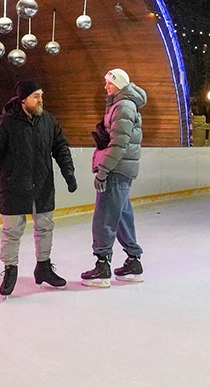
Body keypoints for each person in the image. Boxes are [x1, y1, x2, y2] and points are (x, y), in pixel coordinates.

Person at [0, 79, 77, 297]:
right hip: (13, 185)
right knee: (12, 230)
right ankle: (10, 270)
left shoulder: (48, 121)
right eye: (36, 96)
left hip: (42, 184)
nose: (41, 100)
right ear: (23, 99)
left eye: (41, 95)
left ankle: (43, 267)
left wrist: (68, 173)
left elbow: (61, 147)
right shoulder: (5, 123)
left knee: (45, 226)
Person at [81, 69, 148, 287]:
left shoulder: (123, 106)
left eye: (108, 82)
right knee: (121, 214)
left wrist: (103, 171)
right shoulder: (121, 104)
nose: (105, 86)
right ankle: (133, 261)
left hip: (116, 169)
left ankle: (102, 266)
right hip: (121, 169)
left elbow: (119, 145)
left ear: (117, 84)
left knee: (105, 215)